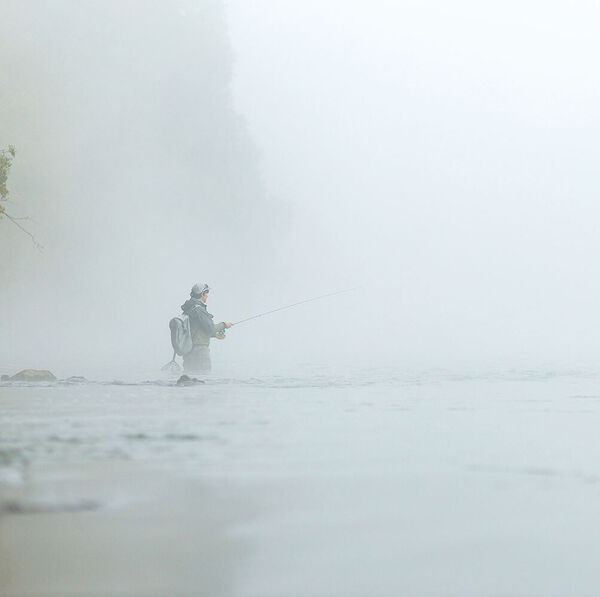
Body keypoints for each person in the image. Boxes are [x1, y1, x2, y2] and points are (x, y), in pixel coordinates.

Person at [181, 283, 232, 374]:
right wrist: (224, 325)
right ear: (202, 294)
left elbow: (197, 330)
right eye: (206, 293)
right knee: (204, 378)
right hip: (200, 351)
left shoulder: (188, 309)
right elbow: (210, 328)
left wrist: (215, 336)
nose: (207, 296)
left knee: (189, 379)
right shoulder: (199, 309)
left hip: (188, 352)